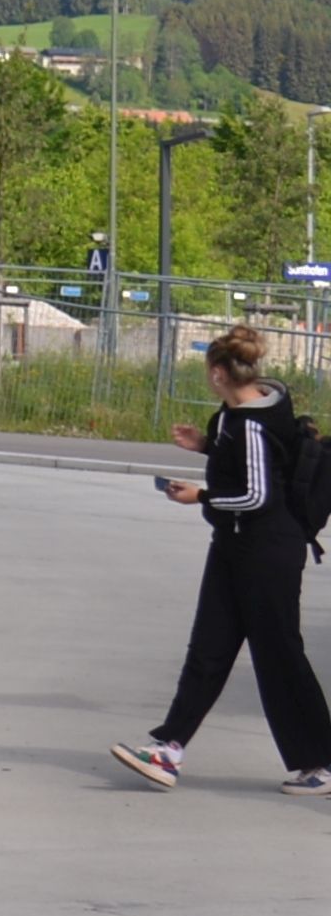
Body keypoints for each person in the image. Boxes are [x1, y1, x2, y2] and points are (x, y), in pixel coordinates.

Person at [112, 326, 330, 796]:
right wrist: (206, 446)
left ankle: (322, 763)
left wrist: (201, 495)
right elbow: (266, 461)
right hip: (237, 548)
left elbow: (257, 493)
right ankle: (168, 750)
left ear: (217, 374)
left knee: (280, 658)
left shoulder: (249, 421)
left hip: (265, 553)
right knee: (207, 649)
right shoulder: (260, 407)